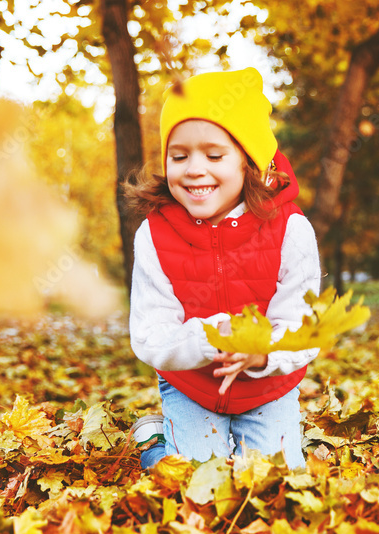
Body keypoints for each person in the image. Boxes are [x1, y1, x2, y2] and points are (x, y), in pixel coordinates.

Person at [125, 68, 320, 469]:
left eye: (214, 155)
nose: (195, 169)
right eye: (179, 156)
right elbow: (149, 334)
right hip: (192, 384)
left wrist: (261, 354)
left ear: (250, 161)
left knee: (278, 482)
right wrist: (206, 339)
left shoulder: (289, 229)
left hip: (267, 385)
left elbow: (304, 326)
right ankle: (156, 444)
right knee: (193, 482)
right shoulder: (154, 235)